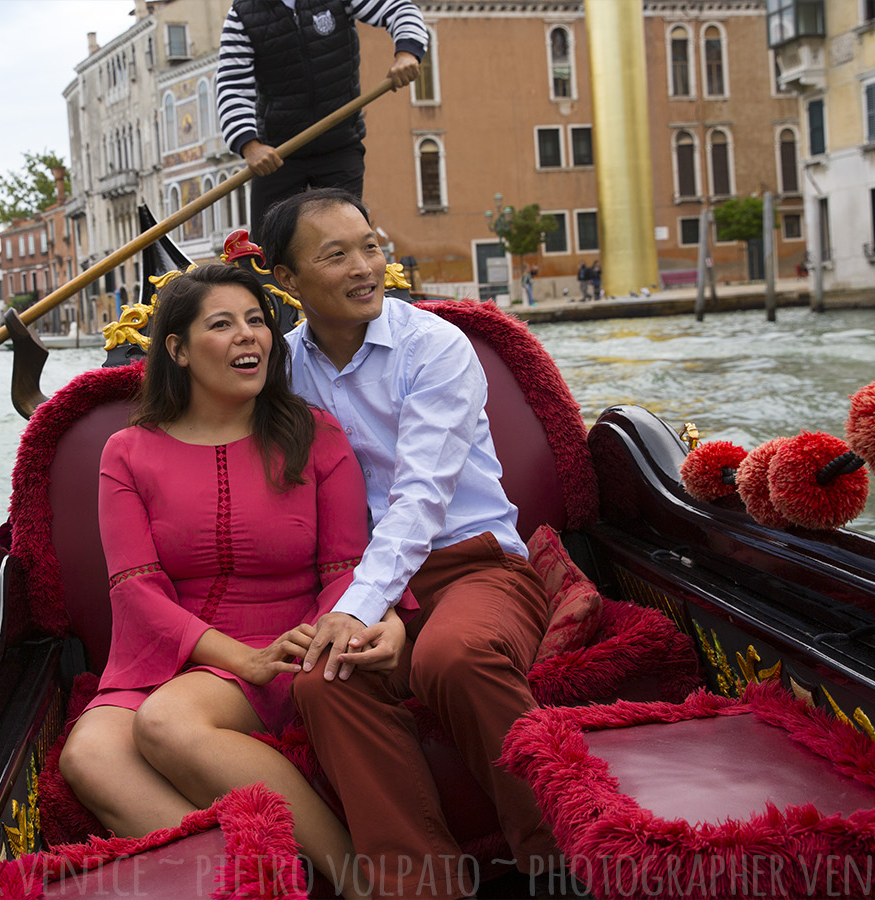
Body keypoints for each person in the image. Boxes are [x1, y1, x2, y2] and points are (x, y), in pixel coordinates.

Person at [58, 264, 404, 900]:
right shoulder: (127, 451)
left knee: (166, 725)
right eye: (222, 325)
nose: (250, 337)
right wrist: (238, 658)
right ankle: (263, 884)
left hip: (286, 641)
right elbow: (135, 588)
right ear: (179, 350)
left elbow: (344, 568)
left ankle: (357, 878)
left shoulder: (316, 436)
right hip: (163, 650)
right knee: (89, 756)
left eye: (256, 322)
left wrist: (324, 635)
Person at [263, 188, 556, 898]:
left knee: (455, 655)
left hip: (474, 566)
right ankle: (421, 885)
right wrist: (369, 607)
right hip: (368, 581)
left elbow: (422, 495)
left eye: (371, 246)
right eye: (337, 255)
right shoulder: (282, 371)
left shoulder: (434, 345)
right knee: (324, 684)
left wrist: (364, 606)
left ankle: (561, 861)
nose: (367, 267)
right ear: (287, 282)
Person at [217, 0, 428, 229]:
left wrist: (407, 53)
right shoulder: (242, 13)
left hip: (340, 145)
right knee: (266, 251)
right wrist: (249, 145)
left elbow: (400, 10)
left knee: (347, 237)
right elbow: (232, 86)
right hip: (277, 156)